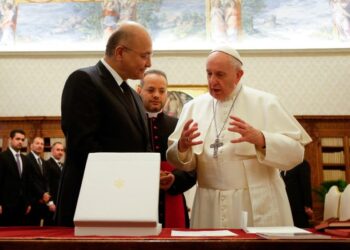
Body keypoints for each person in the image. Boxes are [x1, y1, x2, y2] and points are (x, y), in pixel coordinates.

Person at [166, 45, 312, 228]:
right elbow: (180, 162)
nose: (212, 81)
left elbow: (296, 152)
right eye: (209, 73)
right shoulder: (193, 107)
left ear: (238, 75)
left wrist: (262, 139)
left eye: (220, 74)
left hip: (255, 201)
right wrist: (182, 147)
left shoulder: (265, 102)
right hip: (208, 203)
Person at [57, 21, 152, 226]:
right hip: (92, 202)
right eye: (144, 55)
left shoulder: (133, 95)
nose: (149, 63)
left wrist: (147, 174)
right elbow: (83, 146)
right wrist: (127, 177)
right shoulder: (84, 80)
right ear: (120, 52)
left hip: (126, 201)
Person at [138, 69, 196, 228]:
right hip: (137, 200)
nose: (156, 95)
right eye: (150, 90)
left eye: (162, 91)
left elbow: (192, 167)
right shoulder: (130, 124)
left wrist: (174, 180)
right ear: (139, 90)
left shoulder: (178, 125)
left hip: (173, 198)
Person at [0, 129, 32, 226]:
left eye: (22, 140)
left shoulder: (25, 159)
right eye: (17, 139)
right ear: (10, 139)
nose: (20, 142)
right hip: (6, 205)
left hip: (22, 206)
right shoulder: (2, 157)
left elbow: (26, 182)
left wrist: (28, 203)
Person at [26, 137, 56, 226]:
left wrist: (47, 195)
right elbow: (30, 180)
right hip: (31, 201)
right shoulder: (26, 159)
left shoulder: (43, 162)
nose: (40, 146)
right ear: (31, 146)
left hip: (43, 201)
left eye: (42, 144)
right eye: (37, 143)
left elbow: (46, 181)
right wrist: (42, 194)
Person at [281, 160, 313, 228]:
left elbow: (306, 185)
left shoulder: (302, 163)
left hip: (299, 208)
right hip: (287, 207)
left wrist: (308, 205)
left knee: (301, 234)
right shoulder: (283, 167)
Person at [45, 142, 65, 209]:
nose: (60, 152)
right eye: (58, 150)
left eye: (62, 150)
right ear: (52, 151)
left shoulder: (63, 165)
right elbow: (46, 184)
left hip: (61, 201)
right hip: (52, 202)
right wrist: (50, 202)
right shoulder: (47, 164)